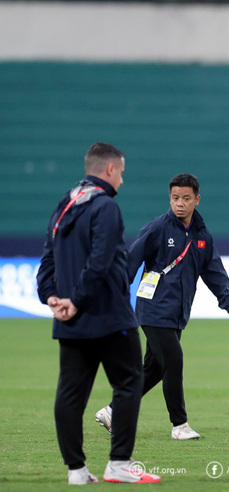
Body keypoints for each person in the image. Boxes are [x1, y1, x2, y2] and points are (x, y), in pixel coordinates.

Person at [36, 143, 160, 484]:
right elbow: (102, 259)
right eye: (121, 172)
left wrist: (51, 297)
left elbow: (48, 257)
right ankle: (119, 465)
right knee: (129, 383)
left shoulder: (66, 203)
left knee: (70, 394)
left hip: (70, 321)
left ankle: (76, 471)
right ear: (109, 170)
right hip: (108, 316)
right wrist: (76, 299)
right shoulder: (105, 207)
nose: (121, 180)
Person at [95, 173, 229, 440]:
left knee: (154, 368)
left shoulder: (202, 235)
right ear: (170, 198)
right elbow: (131, 262)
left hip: (177, 314)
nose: (180, 203)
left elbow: (214, 271)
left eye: (186, 198)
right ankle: (180, 425)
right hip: (153, 309)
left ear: (197, 200)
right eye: (175, 198)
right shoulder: (157, 228)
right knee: (174, 361)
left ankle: (113, 411)